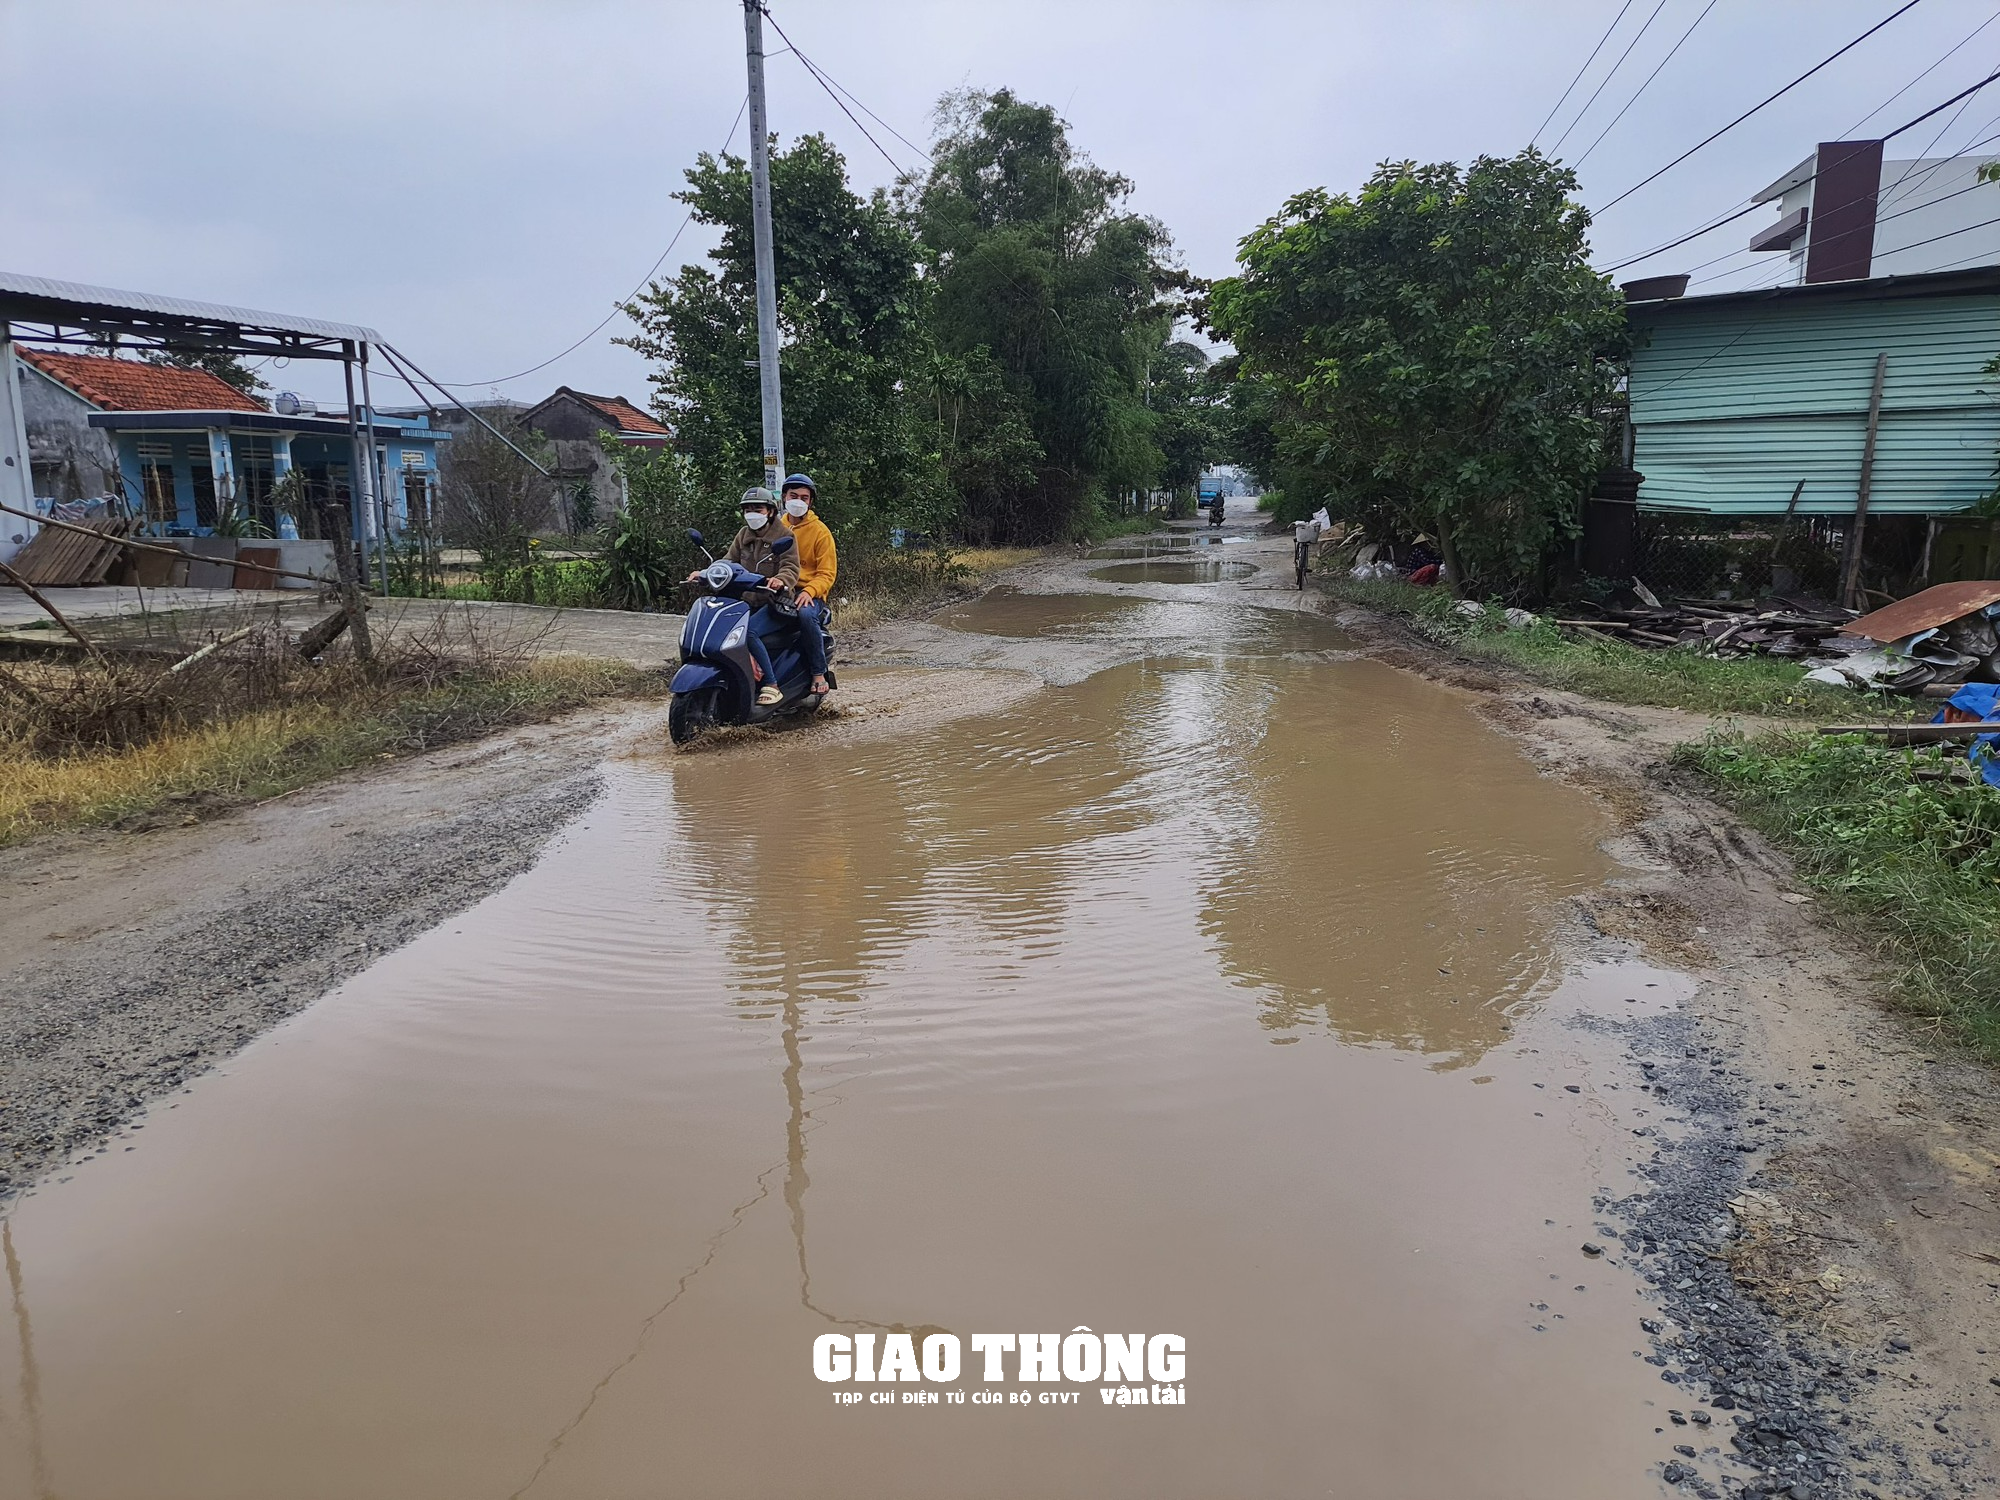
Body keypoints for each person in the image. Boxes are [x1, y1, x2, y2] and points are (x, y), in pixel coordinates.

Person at [689, 487, 798, 705]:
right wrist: (705, 573)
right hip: (745, 600)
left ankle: (772, 684)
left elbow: (791, 567)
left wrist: (780, 580)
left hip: (773, 601)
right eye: (748, 509)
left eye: (757, 509)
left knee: (747, 633)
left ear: (770, 511)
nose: (752, 514)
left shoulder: (785, 536)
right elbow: (728, 561)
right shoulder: (743, 535)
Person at [778, 472, 837, 696]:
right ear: (784, 497)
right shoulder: (775, 528)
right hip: (779, 589)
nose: (798, 501)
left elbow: (827, 574)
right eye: (794, 496)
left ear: (810, 502)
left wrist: (810, 591)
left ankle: (818, 673)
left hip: (809, 594)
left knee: (805, 615)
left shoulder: (820, 532)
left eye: (804, 498)